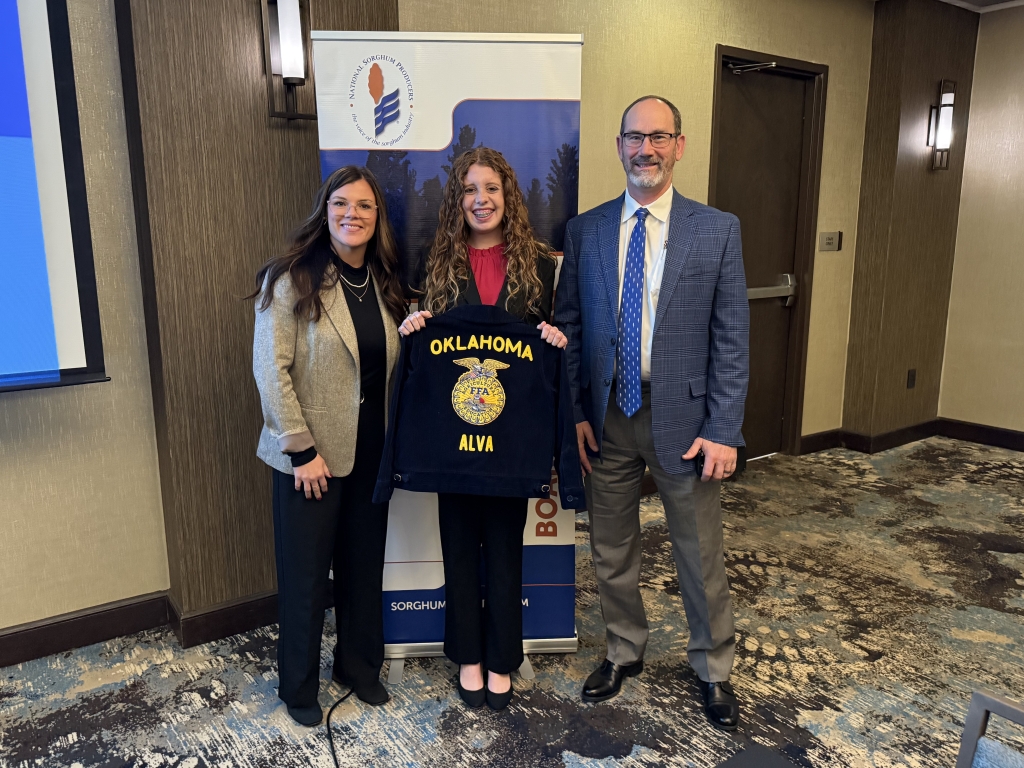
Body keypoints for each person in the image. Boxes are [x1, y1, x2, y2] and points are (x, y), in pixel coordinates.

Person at [554, 96, 749, 731]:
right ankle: (623, 649)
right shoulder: (585, 231)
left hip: (687, 424)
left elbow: (730, 339)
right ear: (619, 146)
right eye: (635, 137)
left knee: (698, 553)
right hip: (608, 417)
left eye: (659, 137)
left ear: (680, 146)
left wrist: (723, 429)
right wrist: (579, 411)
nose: (646, 149)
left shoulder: (716, 229)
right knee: (611, 547)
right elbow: (573, 328)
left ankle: (713, 668)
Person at [399, 147, 567, 710]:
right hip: (453, 437)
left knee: (504, 548)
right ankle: (468, 657)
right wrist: (415, 325)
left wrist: (554, 340)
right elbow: (427, 339)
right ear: (457, 199)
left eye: (491, 188)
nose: (480, 199)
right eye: (470, 189)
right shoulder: (438, 262)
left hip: (511, 442)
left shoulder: (539, 264)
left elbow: (551, 337)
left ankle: (502, 660)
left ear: (507, 196)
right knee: (459, 548)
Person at [250, 166, 406, 726]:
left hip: (371, 455)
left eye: (365, 206)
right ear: (326, 208)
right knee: (307, 577)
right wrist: (300, 451)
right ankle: (298, 687)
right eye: (342, 203)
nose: (353, 214)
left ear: (377, 218)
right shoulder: (291, 278)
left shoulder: (387, 283)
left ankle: (358, 669)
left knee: (363, 570)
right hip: (309, 459)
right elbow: (272, 371)